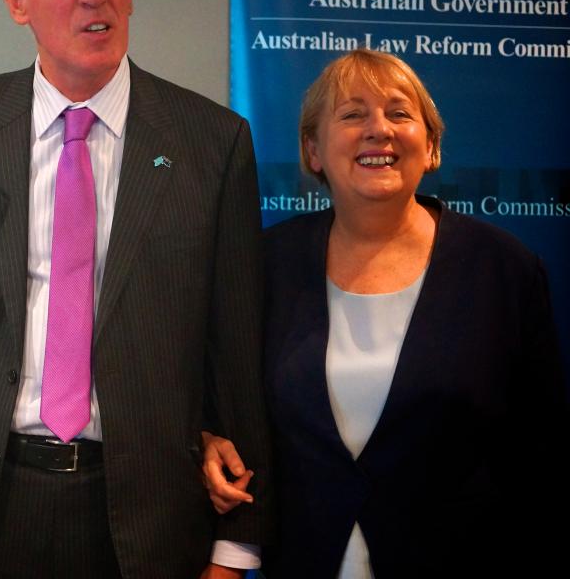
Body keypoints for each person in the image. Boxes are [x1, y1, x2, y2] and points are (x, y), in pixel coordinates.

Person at [0, 0, 273, 578]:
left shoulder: (211, 142)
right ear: (17, 0)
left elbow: (235, 345)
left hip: (143, 516)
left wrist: (236, 544)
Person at [201, 49, 568, 577]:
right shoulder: (265, 265)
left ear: (432, 146)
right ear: (313, 151)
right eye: (352, 115)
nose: (379, 130)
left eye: (400, 113)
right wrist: (209, 440)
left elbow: (541, 456)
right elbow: (223, 405)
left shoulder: (505, 270)